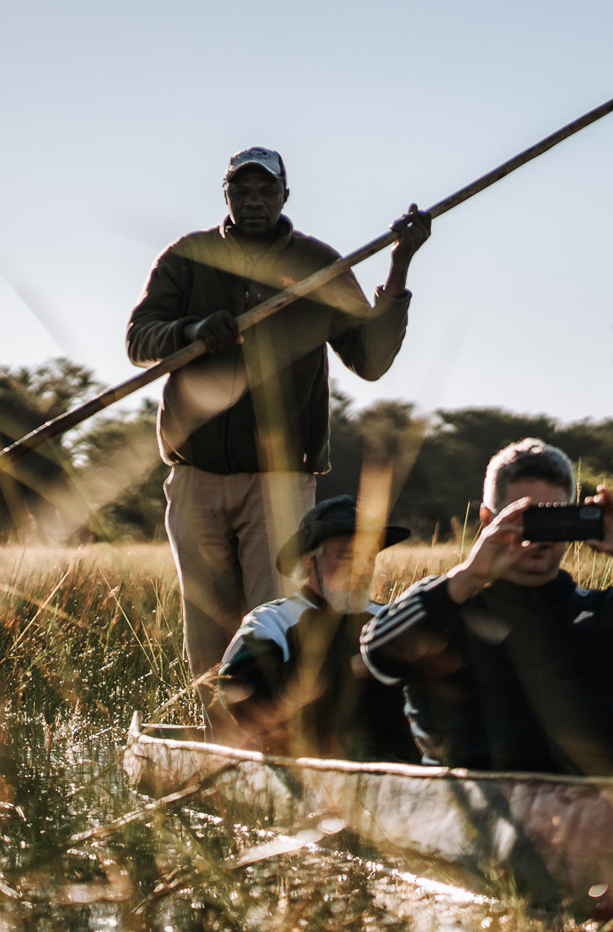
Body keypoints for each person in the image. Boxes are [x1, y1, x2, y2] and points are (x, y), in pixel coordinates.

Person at [125, 145, 432, 721]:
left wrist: (399, 264)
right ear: (227, 197)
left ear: (285, 196)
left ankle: (288, 751)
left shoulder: (319, 263)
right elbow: (139, 340)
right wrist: (193, 330)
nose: (254, 201)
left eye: (266, 191)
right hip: (195, 477)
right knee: (209, 639)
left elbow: (370, 358)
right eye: (243, 191)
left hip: (281, 482)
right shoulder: (188, 258)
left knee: (278, 624)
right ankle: (219, 759)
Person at [361, 439, 613, 777]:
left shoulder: (610, 613)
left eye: (555, 518)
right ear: (488, 519)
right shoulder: (444, 607)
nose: (540, 538)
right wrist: (469, 577)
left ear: (575, 519)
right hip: (470, 815)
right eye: (526, 518)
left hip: (599, 816)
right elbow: (378, 650)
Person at [217, 496, 417, 761]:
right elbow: (242, 700)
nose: (361, 569)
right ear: (309, 560)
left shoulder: (392, 618)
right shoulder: (271, 621)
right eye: (346, 556)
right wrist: (353, 669)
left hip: (401, 777)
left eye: (369, 557)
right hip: (303, 776)